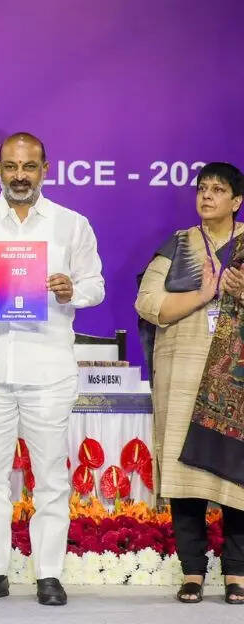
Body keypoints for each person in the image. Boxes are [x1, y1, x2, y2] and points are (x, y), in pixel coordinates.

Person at [0, 132, 104, 606]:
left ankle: (48, 574)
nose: (19, 176)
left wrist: (72, 290)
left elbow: (96, 286)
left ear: (44, 169)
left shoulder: (71, 225)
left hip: (48, 369)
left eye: (28, 167)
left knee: (50, 476)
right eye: (11, 166)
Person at [136, 162, 244, 604]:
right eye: (202, 189)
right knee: (184, 477)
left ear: (236, 201)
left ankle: (237, 573)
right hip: (181, 372)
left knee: (237, 472)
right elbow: (148, 303)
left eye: (218, 190)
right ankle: (193, 572)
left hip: (235, 380)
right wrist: (203, 295)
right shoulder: (178, 244)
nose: (207, 196)